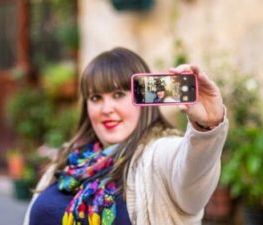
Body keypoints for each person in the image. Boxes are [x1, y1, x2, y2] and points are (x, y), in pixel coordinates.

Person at [23, 47, 228, 225]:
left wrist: (206, 128)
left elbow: (192, 172)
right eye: (96, 98)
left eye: (119, 95)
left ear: (145, 97)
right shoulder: (69, 160)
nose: (106, 108)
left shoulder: (159, 156)